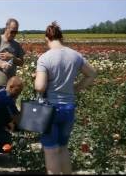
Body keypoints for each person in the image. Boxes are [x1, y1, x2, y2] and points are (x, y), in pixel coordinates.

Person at [34, 21, 97, 174]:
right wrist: (75, 88)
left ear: (47, 39)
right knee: (63, 148)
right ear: (61, 37)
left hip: (50, 110)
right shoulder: (75, 56)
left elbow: (40, 87)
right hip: (68, 108)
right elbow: (92, 74)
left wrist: (37, 77)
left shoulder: (44, 58)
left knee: (50, 152)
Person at [0, 18, 25, 96]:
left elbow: (21, 63)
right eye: (12, 31)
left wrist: (12, 57)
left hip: (11, 86)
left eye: (16, 32)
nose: (14, 34)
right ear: (6, 28)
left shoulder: (16, 45)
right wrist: (0, 64)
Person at [0, 76, 23, 157]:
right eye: (17, 91)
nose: (19, 94)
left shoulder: (2, 92)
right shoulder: (7, 98)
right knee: (19, 127)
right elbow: (17, 116)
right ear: (11, 87)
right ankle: (4, 149)